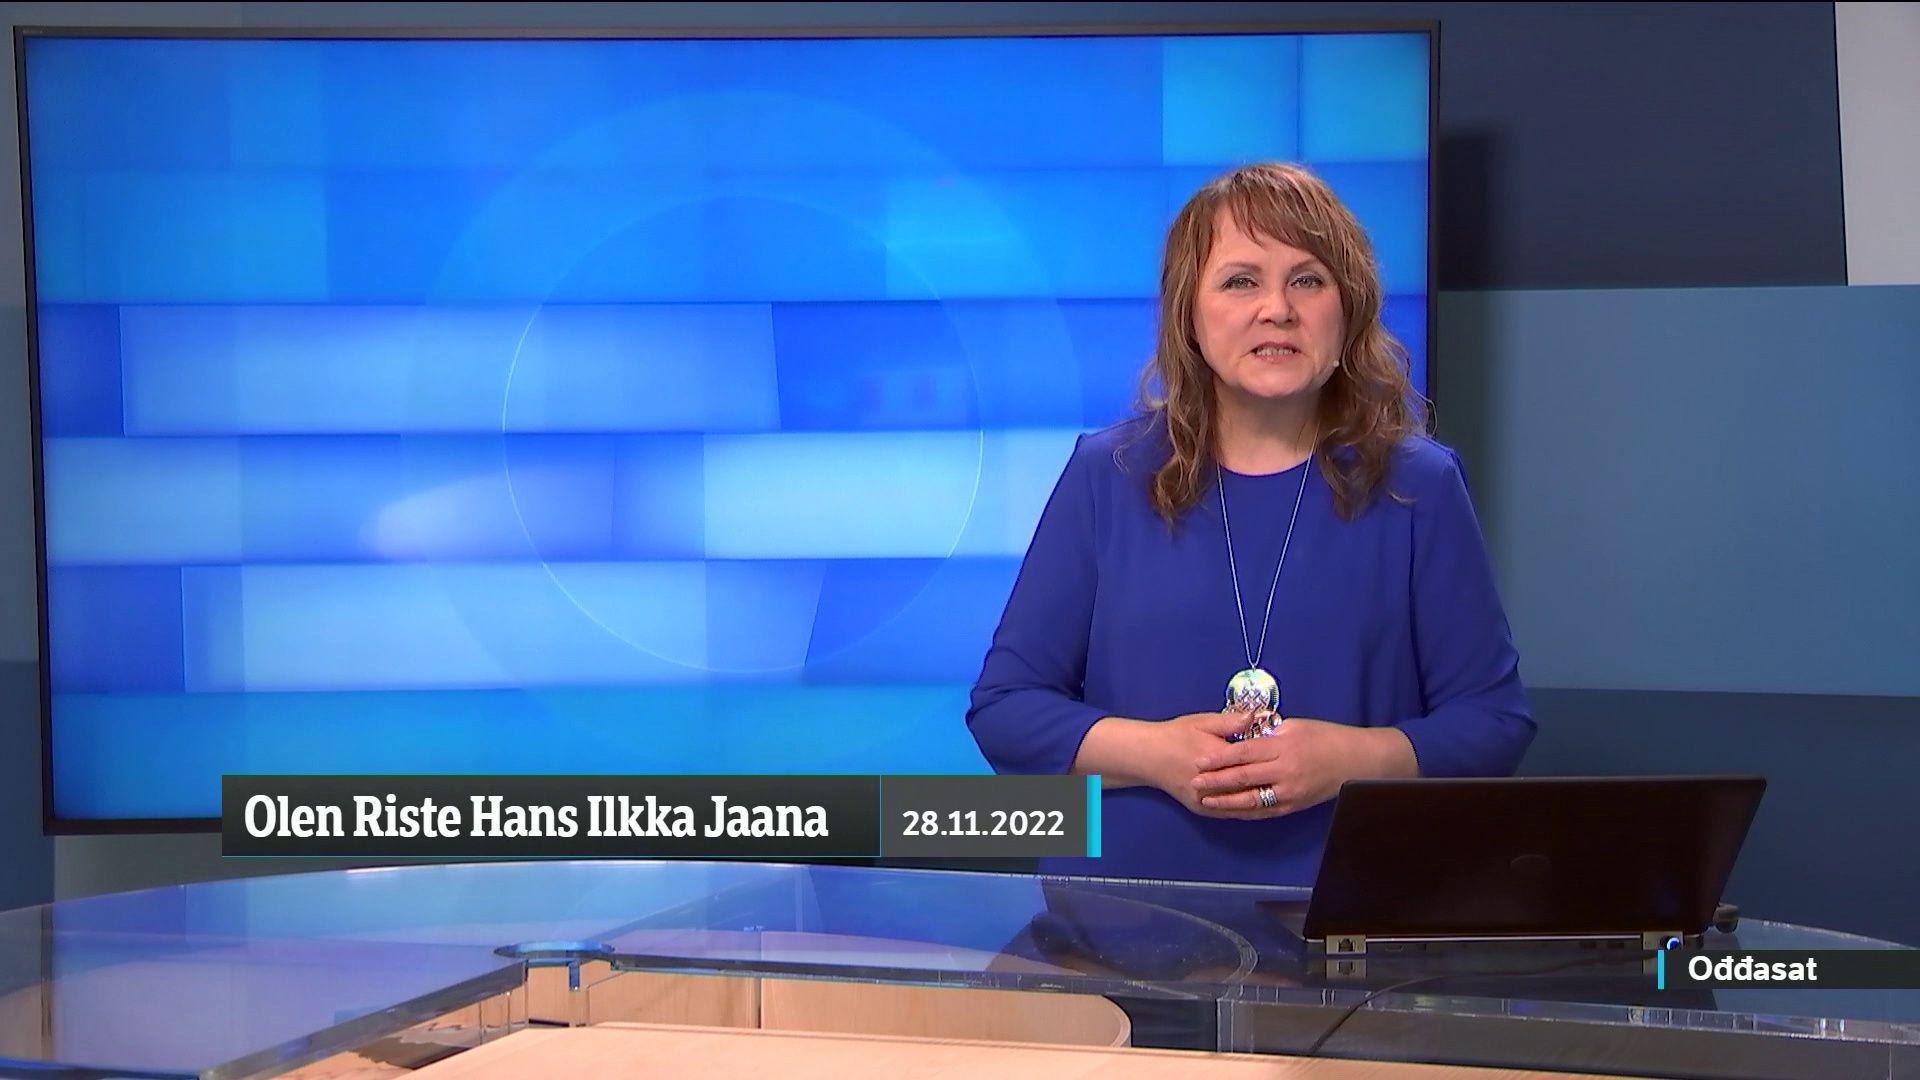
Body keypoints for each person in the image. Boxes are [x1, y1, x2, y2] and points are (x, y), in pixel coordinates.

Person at [966, 162, 1535, 888]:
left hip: (1349, 911)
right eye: (1241, 281)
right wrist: (1159, 756)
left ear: (1349, 310)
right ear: (1189, 316)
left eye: (1308, 280)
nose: (1277, 309)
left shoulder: (1418, 485)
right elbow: (1006, 710)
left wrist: (1349, 761)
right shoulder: (1106, 475)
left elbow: (1493, 723)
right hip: (1126, 915)